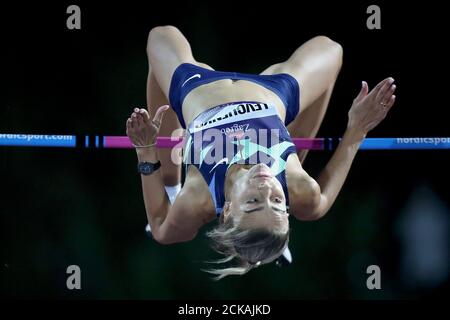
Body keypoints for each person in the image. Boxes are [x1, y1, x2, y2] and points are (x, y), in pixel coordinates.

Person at [125, 26, 396, 279]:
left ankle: (172, 186)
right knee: (331, 49)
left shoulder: (198, 199)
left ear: (228, 210)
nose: (267, 188)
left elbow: (161, 229)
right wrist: (357, 128)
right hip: (274, 91)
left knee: (160, 35)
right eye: (278, 202)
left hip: (195, 87)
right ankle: (293, 161)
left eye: (253, 201)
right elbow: (321, 202)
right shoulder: (302, 190)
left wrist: (146, 150)